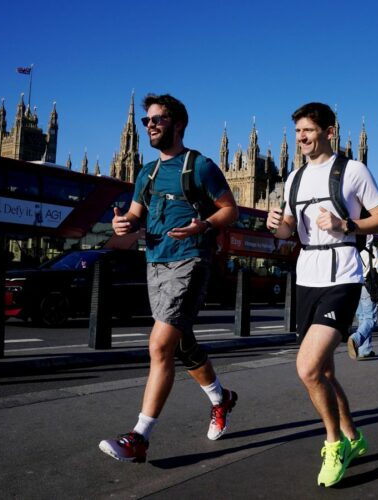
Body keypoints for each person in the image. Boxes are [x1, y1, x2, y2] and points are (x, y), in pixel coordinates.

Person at [99, 94, 240, 463]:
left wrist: (204, 224)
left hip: (191, 260)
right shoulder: (146, 172)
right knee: (181, 345)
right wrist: (122, 223)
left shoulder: (200, 166)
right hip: (156, 262)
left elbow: (231, 209)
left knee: (159, 346)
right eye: (147, 121)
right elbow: (133, 216)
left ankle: (139, 437)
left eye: (157, 119)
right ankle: (220, 398)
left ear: (178, 124)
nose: (150, 125)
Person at [266, 102, 378, 487]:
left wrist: (345, 223)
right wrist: (276, 225)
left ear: (329, 132)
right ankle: (354, 437)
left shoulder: (352, 170)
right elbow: (289, 230)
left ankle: (334, 443)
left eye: (308, 130)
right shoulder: (294, 179)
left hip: (343, 275)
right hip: (307, 275)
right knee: (323, 371)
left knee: (306, 368)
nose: (302, 137)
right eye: (298, 131)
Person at [348, 236, 378, 360]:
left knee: (362, 318)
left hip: (354, 286)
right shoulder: (371, 249)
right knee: (371, 319)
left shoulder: (352, 249)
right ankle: (356, 339)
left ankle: (365, 350)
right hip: (368, 286)